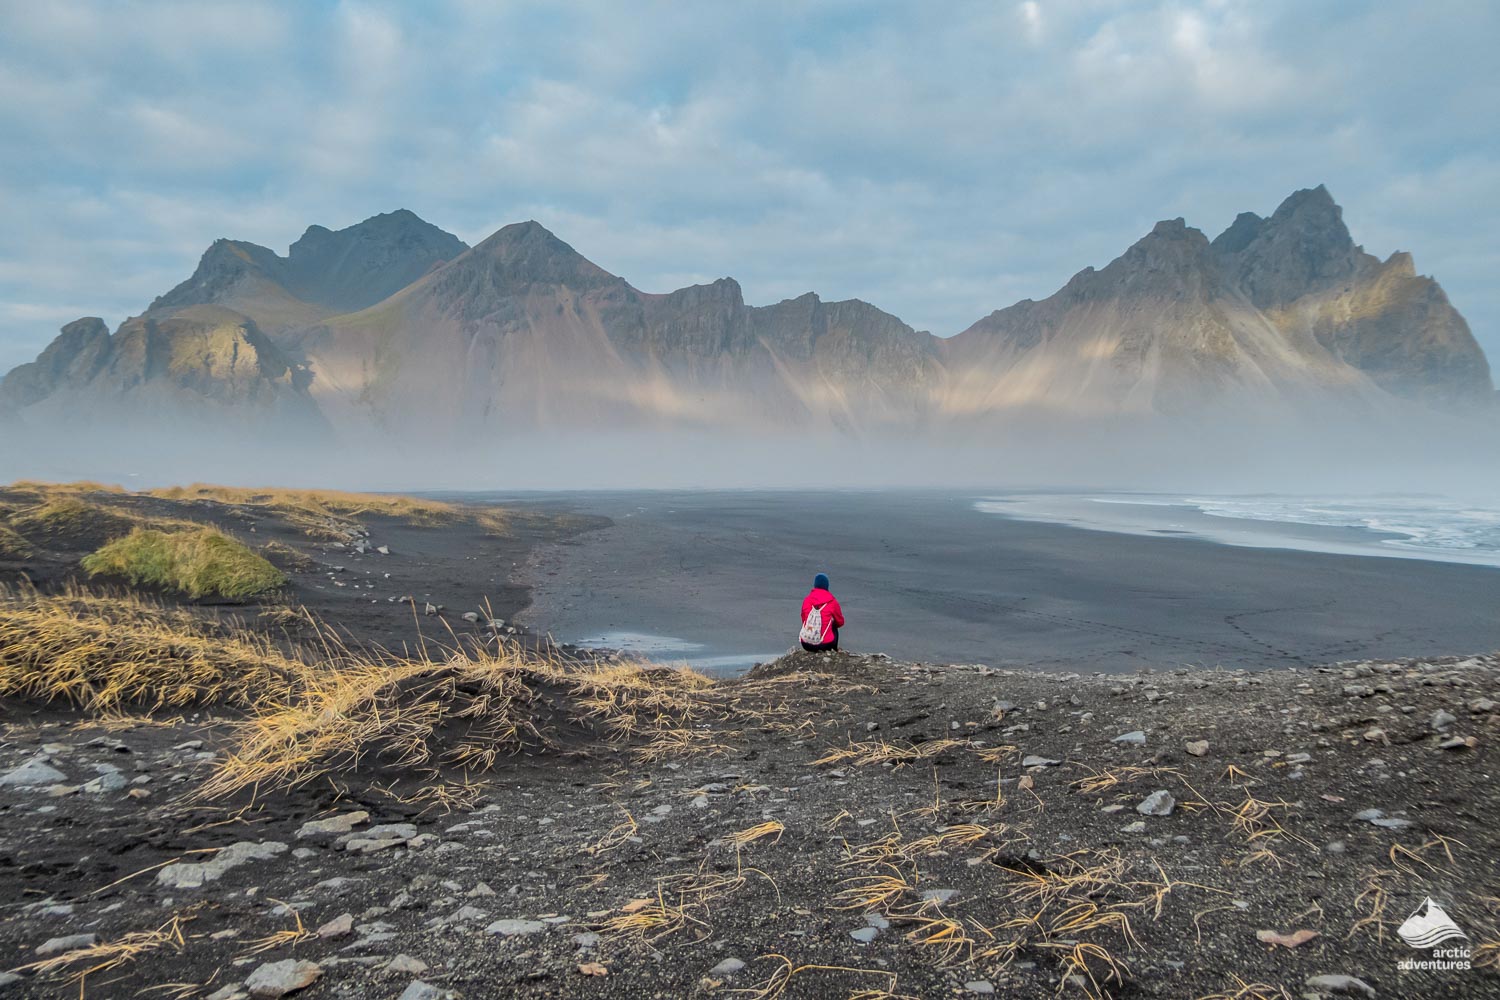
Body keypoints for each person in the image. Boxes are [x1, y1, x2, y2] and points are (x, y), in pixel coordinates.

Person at [799, 572, 845, 652]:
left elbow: (804, 619)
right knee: (834, 625)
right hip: (824, 645)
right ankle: (833, 650)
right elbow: (840, 622)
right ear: (826, 586)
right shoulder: (832, 602)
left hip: (806, 644)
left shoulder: (807, 600)